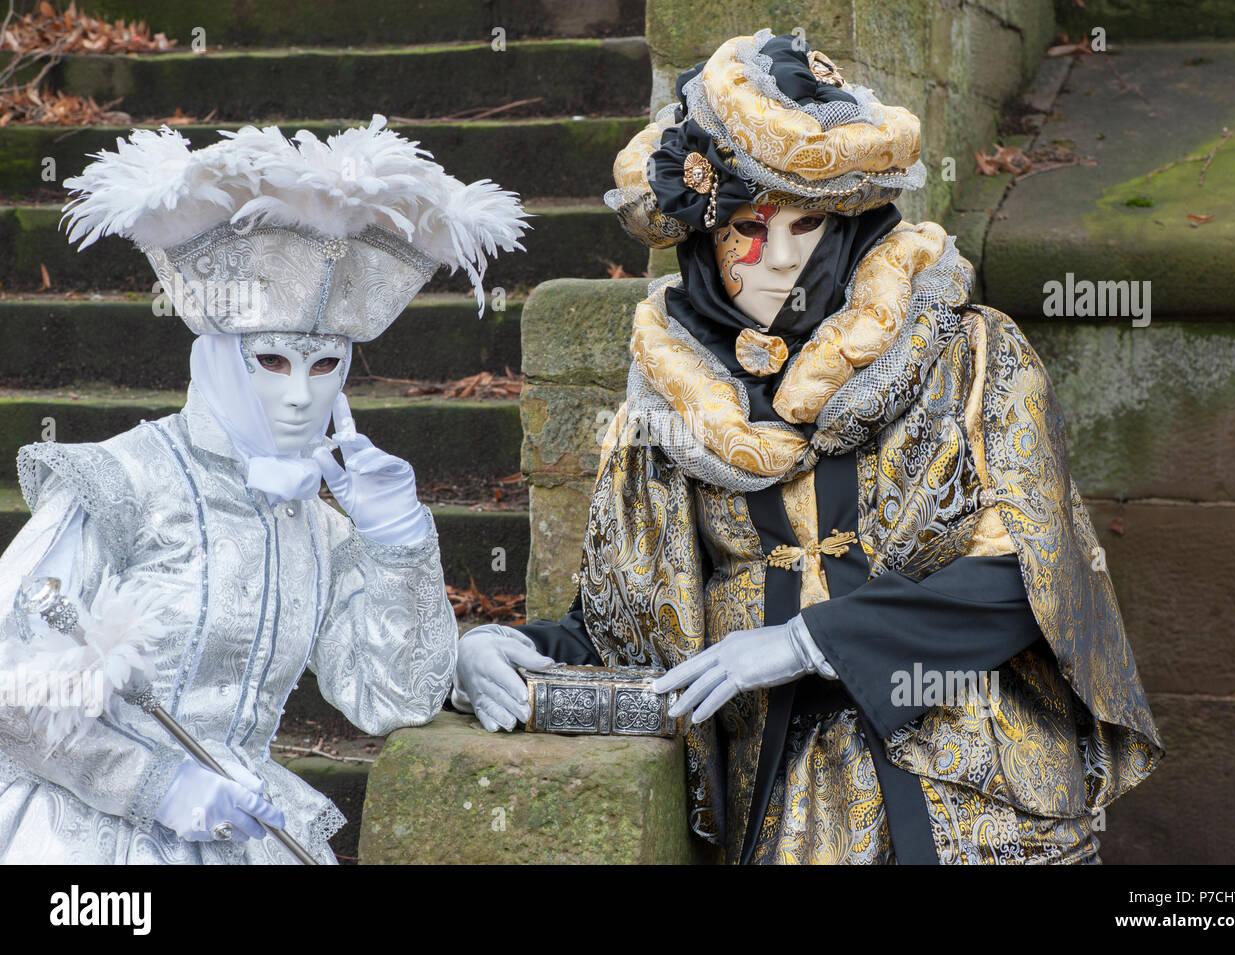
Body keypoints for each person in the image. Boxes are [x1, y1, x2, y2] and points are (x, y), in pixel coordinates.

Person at [453, 31, 1163, 864]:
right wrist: (500, 652)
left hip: (978, 783)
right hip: (791, 802)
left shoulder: (971, 353)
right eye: (750, 225)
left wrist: (808, 641)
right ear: (702, 227)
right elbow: (627, 620)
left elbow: (1037, 576)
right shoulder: (667, 407)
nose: (780, 259)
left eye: (809, 223)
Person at [0, 116, 527, 863]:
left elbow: (390, 696)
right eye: (271, 361)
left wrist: (399, 541)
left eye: (324, 368)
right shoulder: (123, 481)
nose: (299, 397)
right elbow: (11, 683)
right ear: (217, 356)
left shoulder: (318, 529)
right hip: (78, 839)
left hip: (243, 836)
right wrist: (157, 785)